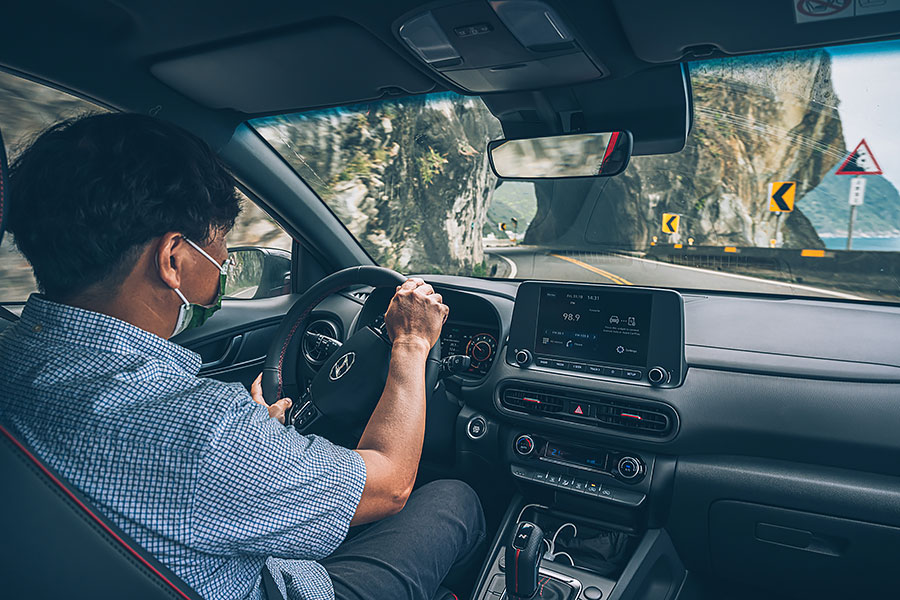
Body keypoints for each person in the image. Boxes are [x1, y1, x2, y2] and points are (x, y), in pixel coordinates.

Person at [0, 113, 485, 600]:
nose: (224, 266)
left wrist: (254, 445)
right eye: (222, 251)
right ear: (173, 259)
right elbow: (392, 483)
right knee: (455, 500)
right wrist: (410, 344)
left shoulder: (10, 357)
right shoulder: (204, 431)